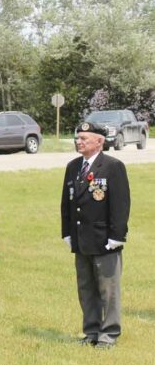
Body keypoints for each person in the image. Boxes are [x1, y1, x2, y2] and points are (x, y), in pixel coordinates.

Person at [61, 122, 130, 349]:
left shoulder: (112, 166)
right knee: (86, 288)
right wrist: (67, 232)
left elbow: (120, 204)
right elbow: (67, 203)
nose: (78, 142)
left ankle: (109, 334)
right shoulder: (73, 167)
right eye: (77, 137)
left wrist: (117, 235)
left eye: (84, 138)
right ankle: (91, 331)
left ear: (99, 141)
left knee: (108, 291)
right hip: (82, 239)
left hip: (104, 240)